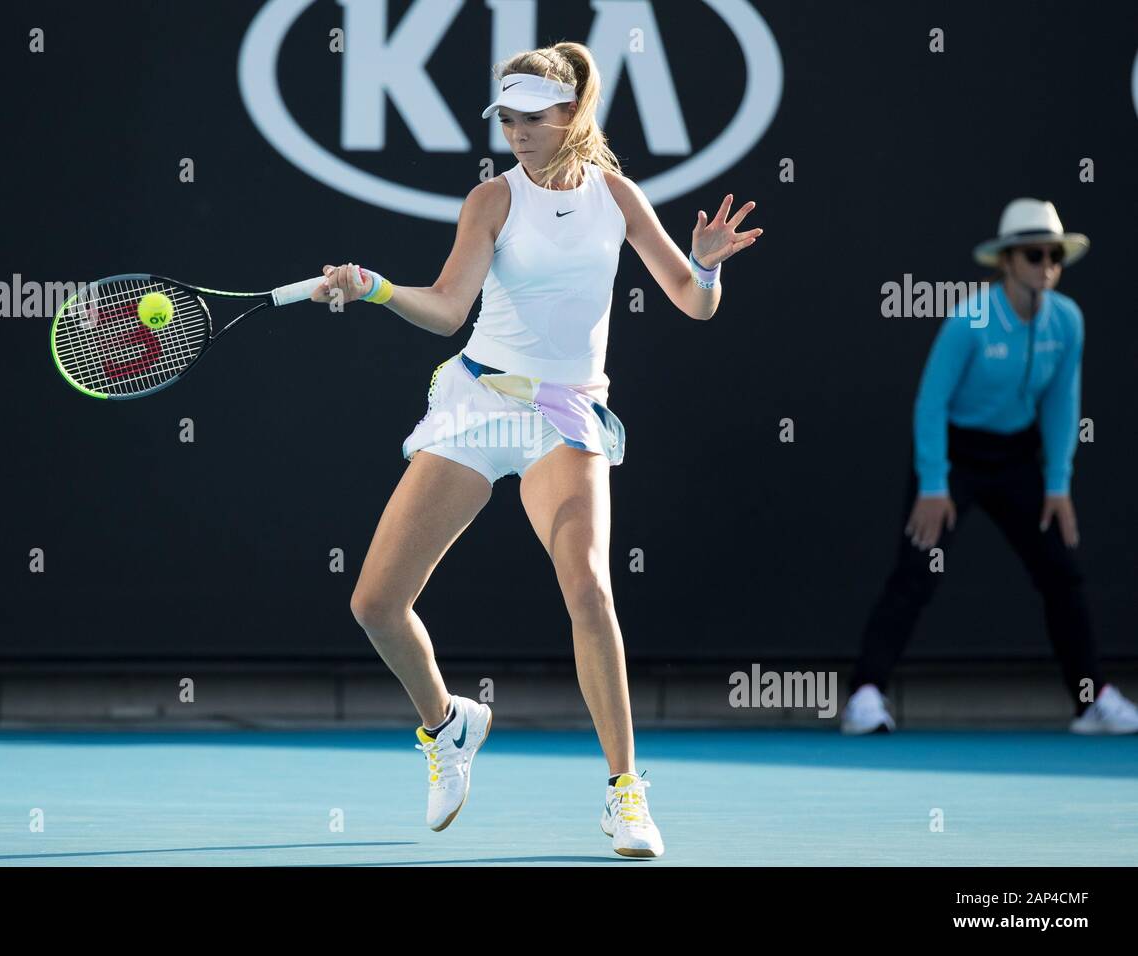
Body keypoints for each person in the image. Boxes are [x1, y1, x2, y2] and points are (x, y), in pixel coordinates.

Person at [310, 42, 762, 856]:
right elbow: (449, 310)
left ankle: (627, 795)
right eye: (507, 118)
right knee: (374, 603)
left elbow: (694, 304)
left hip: (565, 413)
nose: (517, 131)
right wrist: (374, 287)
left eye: (532, 117)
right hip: (479, 401)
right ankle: (447, 726)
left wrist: (706, 264)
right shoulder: (491, 198)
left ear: (570, 114)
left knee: (589, 586)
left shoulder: (619, 199)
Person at [842, 198, 1138, 735]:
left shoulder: (1068, 321)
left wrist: (1058, 483)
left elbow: (1061, 404)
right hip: (954, 456)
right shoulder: (970, 320)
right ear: (1007, 261)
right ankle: (865, 694)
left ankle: (1091, 701)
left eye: (1054, 255)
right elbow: (930, 402)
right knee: (916, 572)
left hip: (1018, 456)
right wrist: (934, 484)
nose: (1046, 265)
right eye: (1033, 255)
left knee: (1062, 571)